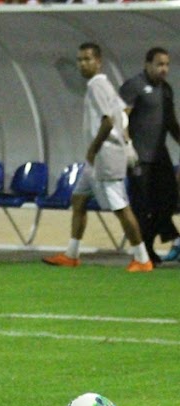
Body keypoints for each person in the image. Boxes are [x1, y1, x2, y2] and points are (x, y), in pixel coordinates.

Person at [42, 42, 153, 272]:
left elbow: (108, 120)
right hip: (97, 159)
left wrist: (93, 148)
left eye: (87, 59)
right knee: (79, 200)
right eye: (80, 59)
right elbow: (121, 116)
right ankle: (72, 254)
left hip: (105, 155)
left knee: (121, 207)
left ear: (98, 62)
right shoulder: (101, 85)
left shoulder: (97, 86)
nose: (83, 63)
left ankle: (142, 258)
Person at [119, 47, 180, 264]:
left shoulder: (166, 90)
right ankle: (143, 252)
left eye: (167, 65)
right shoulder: (134, 86)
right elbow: (120, 116)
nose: (164, 69)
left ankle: (151, 242)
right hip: (138, 156)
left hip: (159, 155)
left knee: (169, 200)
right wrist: (127, 145)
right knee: (142, 205)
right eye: (159, 64)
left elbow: (171, 123)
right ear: (147, 64)